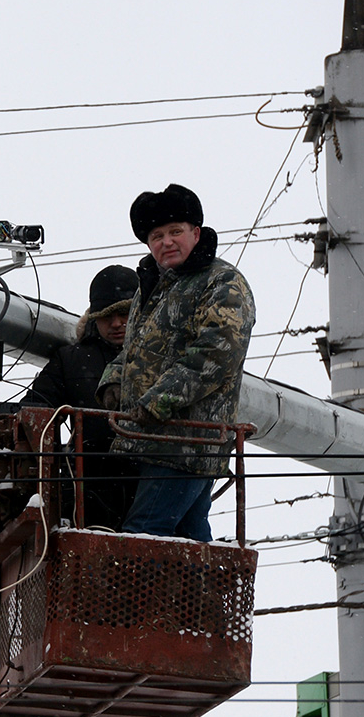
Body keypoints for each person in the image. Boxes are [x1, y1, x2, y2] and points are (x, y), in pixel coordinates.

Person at [97, 183, 255, 542]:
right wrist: (113, 382)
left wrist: (156, 401)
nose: (166, 242)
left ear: (195, 234)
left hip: (186, 442)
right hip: (157, 440)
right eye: (157, 236)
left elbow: (216, 355)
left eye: (175, 232)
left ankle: (145, 599)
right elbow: (136, 350)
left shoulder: (223, 282)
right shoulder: (153, 288)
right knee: (187, 536)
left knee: (144, 534)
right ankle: (201, 598)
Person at [22, 265, 139, 530]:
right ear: (94, 318)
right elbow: (35, 408)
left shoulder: (160, 357)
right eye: (107, 316)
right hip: (89, 487)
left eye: (124, 313)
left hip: (151, 480)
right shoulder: (71, 360)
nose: (117, 323)